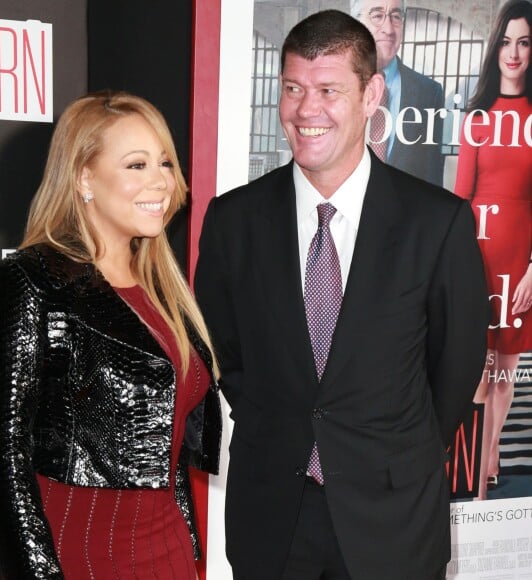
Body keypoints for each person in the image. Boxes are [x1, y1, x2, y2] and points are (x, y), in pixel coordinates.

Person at [195, 9, 488, 580]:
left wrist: (391, 451)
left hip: (393, 519)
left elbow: (454, 368)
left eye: (328, 90)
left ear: (370, 93)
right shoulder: (234, 221)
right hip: (273, 516)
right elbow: (224, 352)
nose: (307, 110)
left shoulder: (438, 224)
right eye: (293, 89)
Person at [0, 91, 221, 579]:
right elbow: (2, 452)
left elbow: (164, 448)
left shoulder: (163, 289)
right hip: (84, 549)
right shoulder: (33, 280)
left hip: (165, 549)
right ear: (84, 177)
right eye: (136, 165)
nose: (161, 181)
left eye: (165, 162)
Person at [454, 0, 532, 500]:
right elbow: (460, 197)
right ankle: (479, 469)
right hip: (476, 260)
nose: (514, 52)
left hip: (520, 267)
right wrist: (457, 269)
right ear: (495, 47)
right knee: (477, 377)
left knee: (505, 374)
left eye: (524, 42)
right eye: (506, 41)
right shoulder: (477, 115)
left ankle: (486, 466)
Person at [351, 0, 445, 186]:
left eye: (396, 16)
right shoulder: (332, 85)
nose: (388, 29)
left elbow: (431, 183)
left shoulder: (429, 93)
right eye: (377, 16)